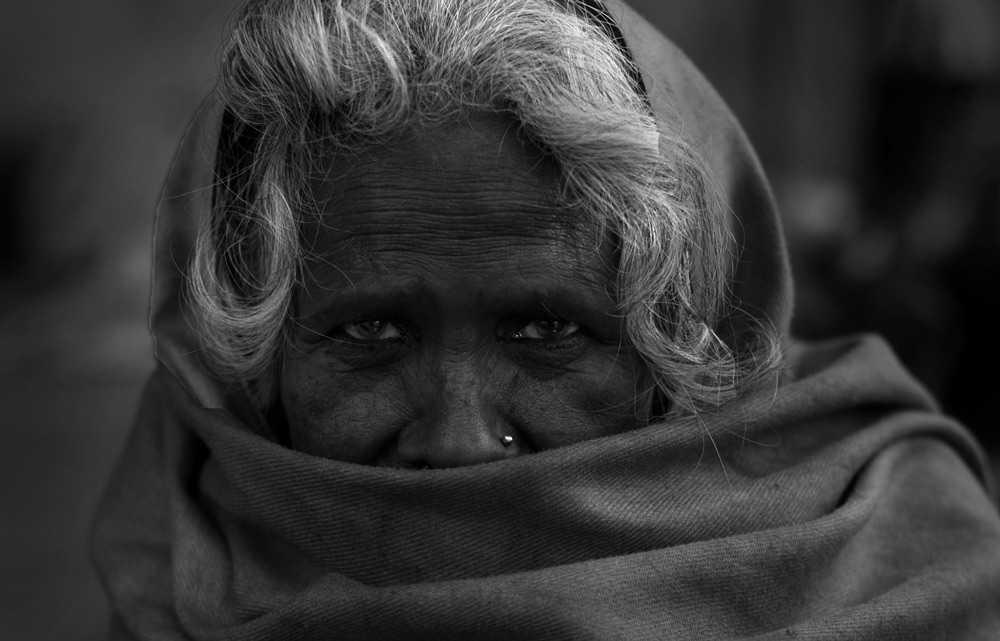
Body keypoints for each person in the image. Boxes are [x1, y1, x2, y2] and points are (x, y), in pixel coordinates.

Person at [90, 0, 1000, 638]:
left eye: (544, 330)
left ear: (680, 346)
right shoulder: (185, 548)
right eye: (369, 333)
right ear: (252, 364)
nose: (459, 443)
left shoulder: (892, 548)